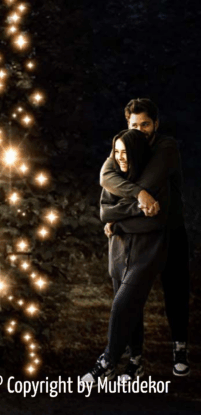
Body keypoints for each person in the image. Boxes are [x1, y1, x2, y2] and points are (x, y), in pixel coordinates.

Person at [98, 98, 189, 377]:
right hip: (140, 232)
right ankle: (134, 358)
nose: (140, 129)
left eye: (146, 124)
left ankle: (180, 348)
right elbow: (106, 176)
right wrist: (133, 198)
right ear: (127, 124)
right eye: (134, 124)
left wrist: (115, 215)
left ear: (156, 124)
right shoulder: (126, 146)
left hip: (170, 230)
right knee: (131, 293)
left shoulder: (165, 147)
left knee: (175, 291)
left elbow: (148, 187)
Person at [82, 128, 169, 383]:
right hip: (119, 253)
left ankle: (108, 362)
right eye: (116, 152)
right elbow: (105, 214)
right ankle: (136, 362)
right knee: (132, 309)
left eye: (125, 153)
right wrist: (135, 209)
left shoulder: (155, 181)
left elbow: (153, 222)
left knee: (122, 305)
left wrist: (119, 222)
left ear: (137, 153)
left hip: (146, 254)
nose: (120, 158)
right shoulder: (114, 179)